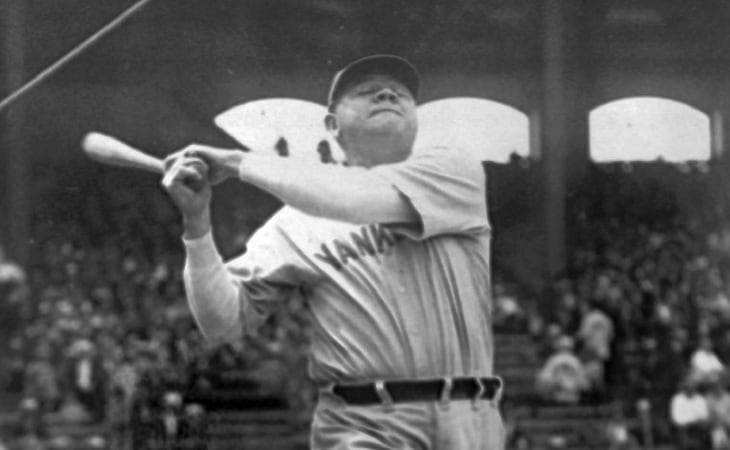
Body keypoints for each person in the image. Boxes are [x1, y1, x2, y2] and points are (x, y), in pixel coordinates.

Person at [161, 54, 504, 449]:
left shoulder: (454, 169)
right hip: (361, 425)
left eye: (400, 93)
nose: (387, 94)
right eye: (366, 91)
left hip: (470, 420)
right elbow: (222, 322)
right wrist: (197, 225)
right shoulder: (297, 221)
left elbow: (352, 199)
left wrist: (239, 162)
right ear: (331, 124)